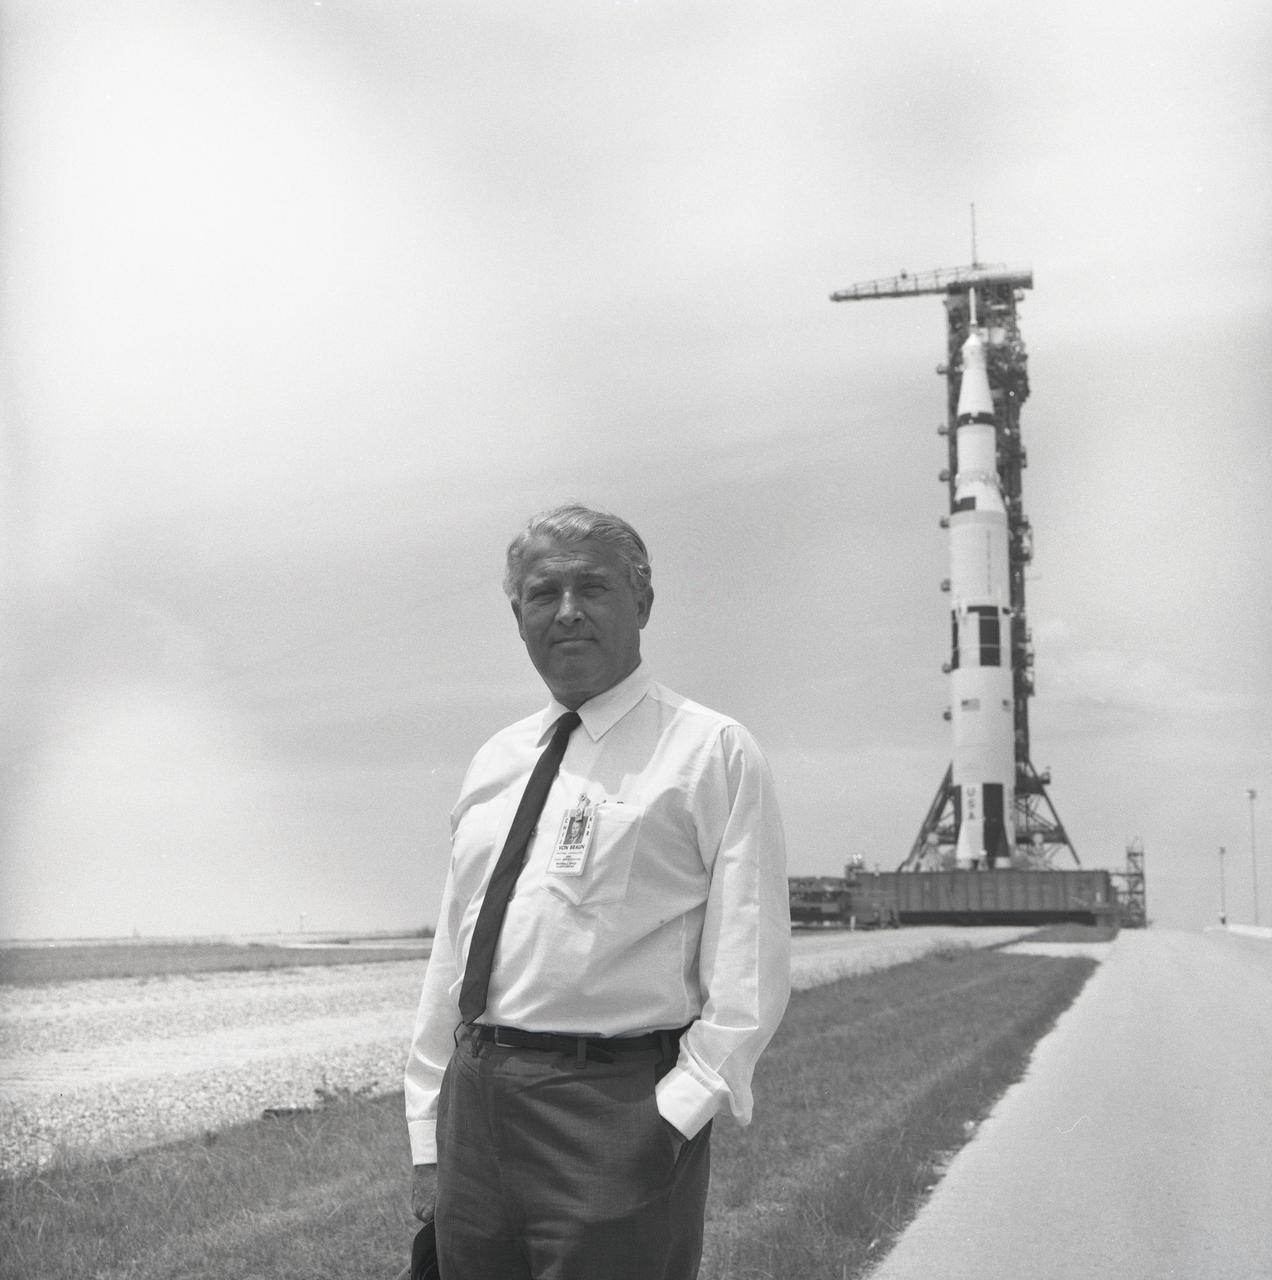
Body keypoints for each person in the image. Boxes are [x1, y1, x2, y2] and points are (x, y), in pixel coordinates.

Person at [404, 503, 791, 1280]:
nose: (568, 611)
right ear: (518, 616)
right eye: (543, 593)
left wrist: (674, 1115)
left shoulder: (708, 750)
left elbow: (749, 963)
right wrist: (427, 1127)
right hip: (476, 1106)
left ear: (642, 602)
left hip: (615, 1112)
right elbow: (455, 949)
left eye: (593, 587)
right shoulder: (497, 760)